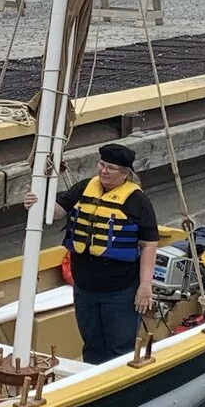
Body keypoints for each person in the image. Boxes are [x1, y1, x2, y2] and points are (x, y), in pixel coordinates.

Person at [26, 140, 160, 363]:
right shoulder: (84, 187)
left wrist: (145, 286)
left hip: (120, 290)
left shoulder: (138, 201)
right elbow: (58, 211)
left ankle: (119, 381)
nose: (104, 171)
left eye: (111, 168)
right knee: (92, 344)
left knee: (120, 348)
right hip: (84, 287)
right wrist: (37, 200)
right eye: (101, 164)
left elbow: (149, 244)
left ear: (125, 173)